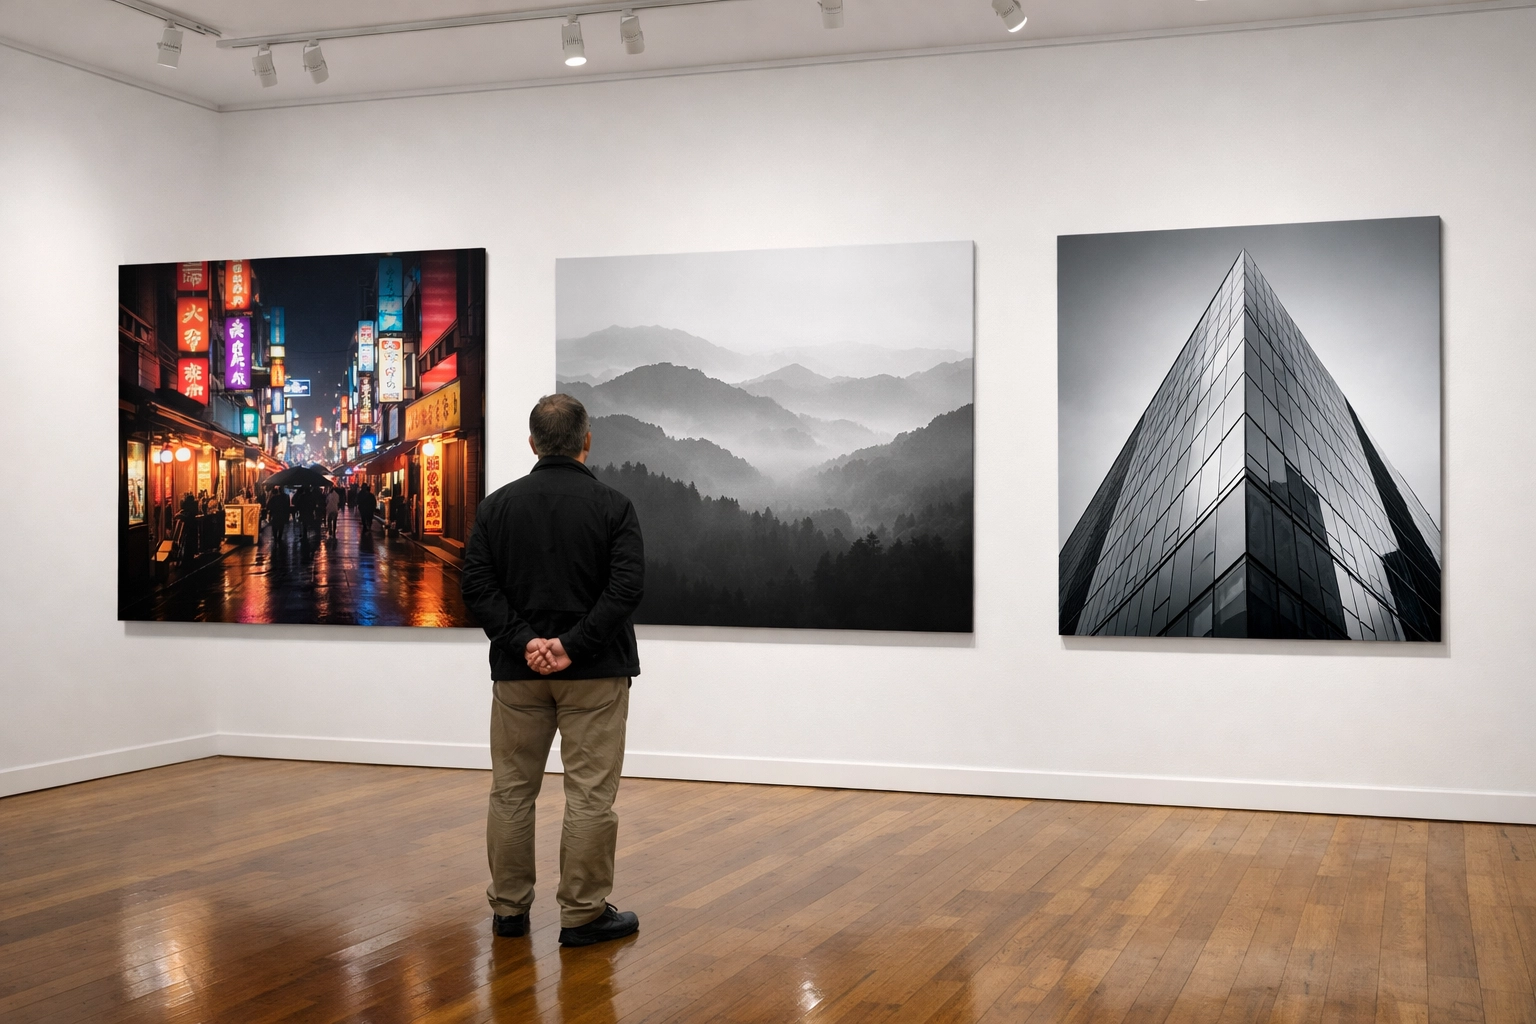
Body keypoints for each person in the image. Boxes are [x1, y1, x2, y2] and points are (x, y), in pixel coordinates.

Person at [461, 394, 644, 949]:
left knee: (511, 793)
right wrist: (573, 646)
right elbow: (625, 591)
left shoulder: (497, 507)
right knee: (590, 795)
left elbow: (476, 585)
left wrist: (525, 643)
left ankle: (510, 911)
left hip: (518, 675)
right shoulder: (614, 507)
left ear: (533, 442)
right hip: (596, 673)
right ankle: (583, 914)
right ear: (586, 440)